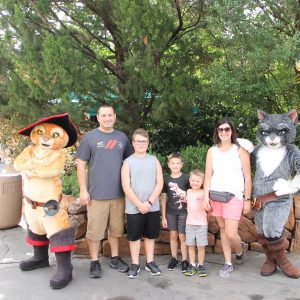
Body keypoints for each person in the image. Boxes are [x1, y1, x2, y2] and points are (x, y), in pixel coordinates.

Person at [76, 103, 133, 278]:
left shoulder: (122, 137)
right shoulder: (89, 138)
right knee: (94, 231)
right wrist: (83, 190)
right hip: (96, 195)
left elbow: (130, 163)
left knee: (116, 229)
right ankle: (94, 262)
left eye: (110, 115)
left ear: (115, 117)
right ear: (98, 118)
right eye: (104, 115)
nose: (107, 118)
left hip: (118, 194)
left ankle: (115, 258)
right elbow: (81, 164)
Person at [203, 117, 252, 278]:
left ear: (232, 131)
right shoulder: (212, 151)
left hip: (235, 195)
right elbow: (208, 176)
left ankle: (239, 250)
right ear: (217, 132)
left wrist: (247, 199)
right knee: (223, 229)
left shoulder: (240, 150)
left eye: (227, 129)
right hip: (216, 194)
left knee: (231, 233)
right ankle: (228, 263)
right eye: (220, 129)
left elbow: (247, 175)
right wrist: (205, 197)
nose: (224, 132)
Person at [121, 128, 164, 279]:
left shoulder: (154, 160)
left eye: (144, 141)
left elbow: (159, 183)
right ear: (133, 143)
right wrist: (139, 204)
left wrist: (149, 202)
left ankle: (150, 261)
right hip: (134, 207)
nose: (141, 144)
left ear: (148, 143)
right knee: (134, 237)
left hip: (152, 206)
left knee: (150, 236)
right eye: (138, 141)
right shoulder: (127, 162)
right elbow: (126, 186)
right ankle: (135, 263)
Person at [161, 152, 189, 272]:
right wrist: (163, 216)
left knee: (182, 236)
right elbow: (163, 198)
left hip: (184, 212)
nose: (175, 165)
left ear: (182, 164)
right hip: (170, 212)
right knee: (173, 235)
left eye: (178, 163)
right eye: (173, 163)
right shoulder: (166, 179)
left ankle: (185, 259)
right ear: (168, 164)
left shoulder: (186, 178)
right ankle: (174, 258)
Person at [184, 169, 208, 277]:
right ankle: (192, 264)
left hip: (201, 224)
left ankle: (201, 265)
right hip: (189, 223)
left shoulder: (204, 193)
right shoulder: (187, 192)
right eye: (193, 180)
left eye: (198, 181)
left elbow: (208, 207)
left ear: (202, 182)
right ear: (189, 180)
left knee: (201, 246)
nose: (195, 183)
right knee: (191, 245)